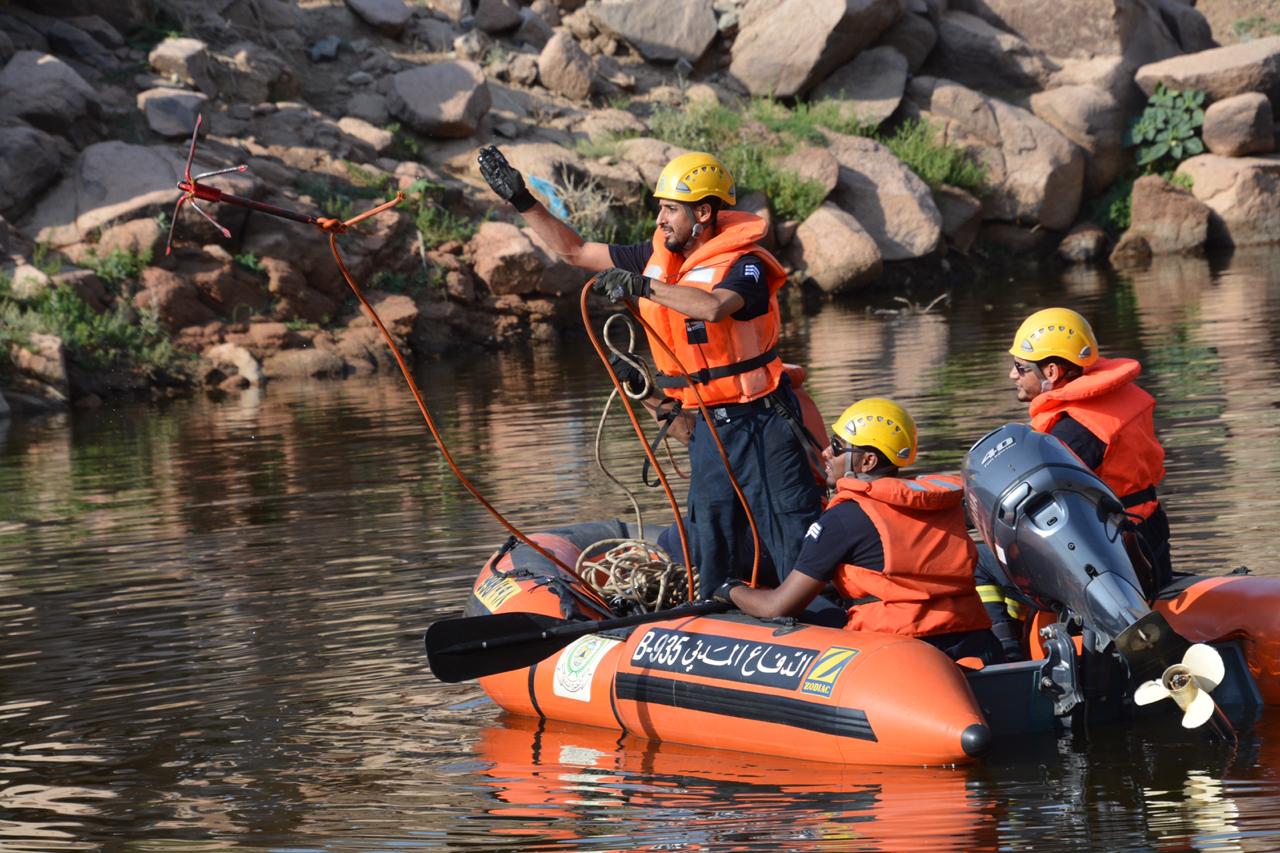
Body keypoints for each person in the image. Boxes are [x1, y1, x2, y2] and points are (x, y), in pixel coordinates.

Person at [477, 145, 824, 596]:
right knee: (711, 543)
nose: (660, 219)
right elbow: (575, 251)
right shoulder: (656, 255)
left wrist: (643, 285)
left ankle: (818, 618)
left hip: (763, 422)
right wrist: (521, 199)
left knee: (790, 532)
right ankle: (718, 620)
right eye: (660, 208)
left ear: (703, 212)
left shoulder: (747, 264)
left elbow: (714, 307)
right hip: (708, 431)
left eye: (670, 210)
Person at [718, 398, 1002, 663]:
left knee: (805, 607)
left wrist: (729, 590)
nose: (826, 452)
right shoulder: (949, 506)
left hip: (900, 654)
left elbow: (777, 607)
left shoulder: (844, 519)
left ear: (868, 461)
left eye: (838, 446)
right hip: (976, 642)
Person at [977, 307, 1174, 657]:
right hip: (1149, 538)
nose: (1012, 375)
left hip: (1111, 555)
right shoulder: (1114, 402)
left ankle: (1009, 651)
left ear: (1051, 371)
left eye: (1021, 368)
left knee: (978, 561)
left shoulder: (1074, 431)